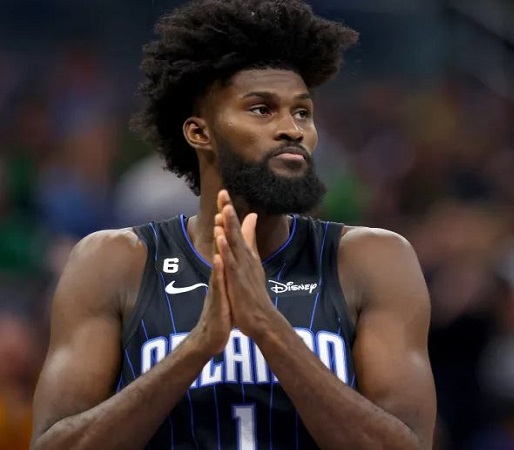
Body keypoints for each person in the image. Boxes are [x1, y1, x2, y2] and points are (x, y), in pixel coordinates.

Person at [30, 0, 436, 448]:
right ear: (199, 133)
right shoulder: (113, 262)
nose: (292, 129)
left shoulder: (372, 259)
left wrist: (268, 328)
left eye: (302, 112)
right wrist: (198, 347)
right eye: (262, 109)